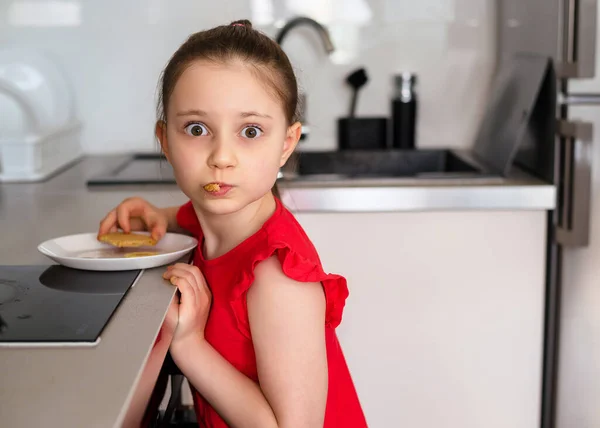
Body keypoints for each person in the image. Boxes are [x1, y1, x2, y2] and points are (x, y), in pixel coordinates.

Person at [99, 19, 367, 427]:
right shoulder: (218, 217)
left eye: (250, 131)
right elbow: (186, 215)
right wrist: (156, 215)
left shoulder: (278, 277)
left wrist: (189, 345)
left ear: (286, 144)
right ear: (165, 141)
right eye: (197, 128)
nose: (222, 157)